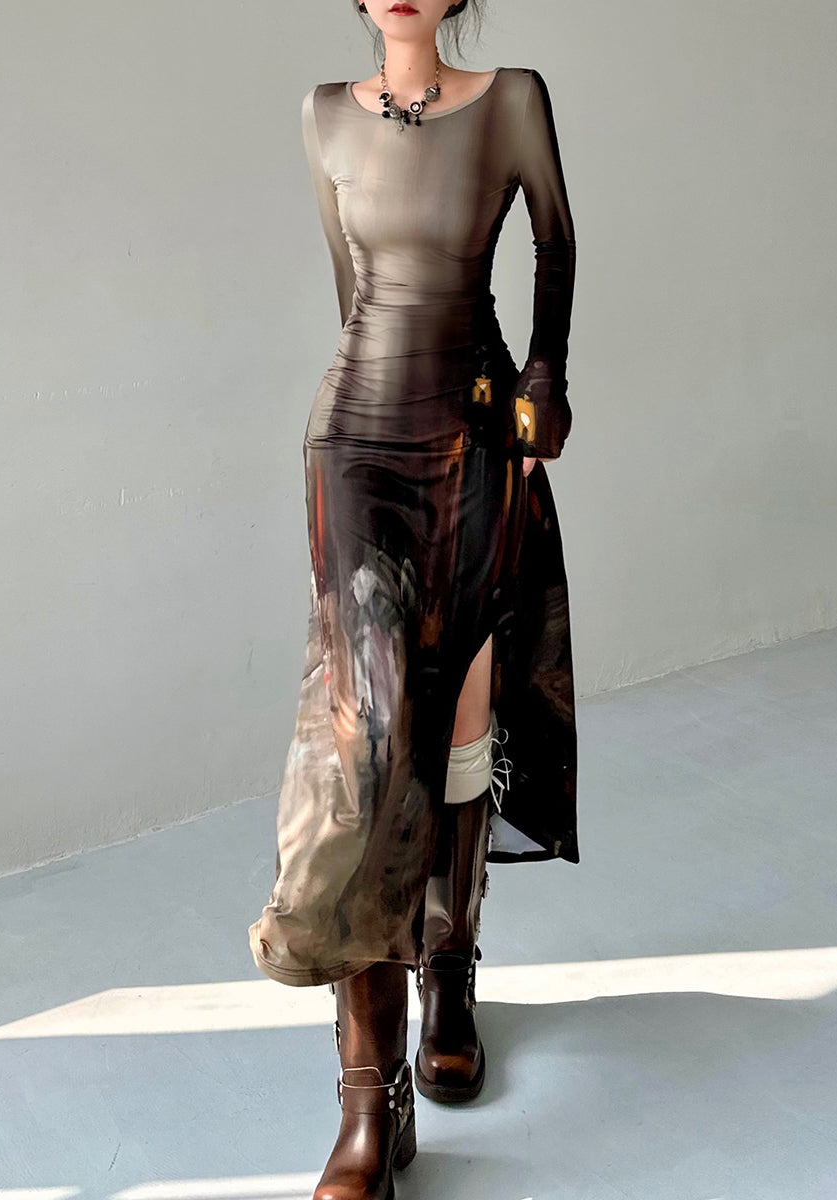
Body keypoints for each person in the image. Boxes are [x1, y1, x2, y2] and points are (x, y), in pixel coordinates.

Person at [247, 2, 579, 1196]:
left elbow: (555, 243)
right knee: (362, 751)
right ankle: (368, 1100)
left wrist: (544, 375)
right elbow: (352, 290)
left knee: (462, 728)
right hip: (354, 444)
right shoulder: (323, 116)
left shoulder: (513, 100)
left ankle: (452, 968)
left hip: (475, 437)